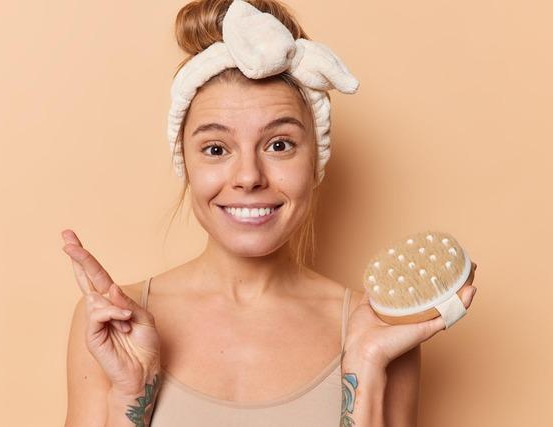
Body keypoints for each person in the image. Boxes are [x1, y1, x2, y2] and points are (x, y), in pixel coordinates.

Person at [62, 1, 477, 426]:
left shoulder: (378, 330)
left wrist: (365, 370)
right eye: (216, 149)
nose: (248, 176)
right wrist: (130, 396)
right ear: (184, 163)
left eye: (279, 145)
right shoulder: (116, 324)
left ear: (316, 160)